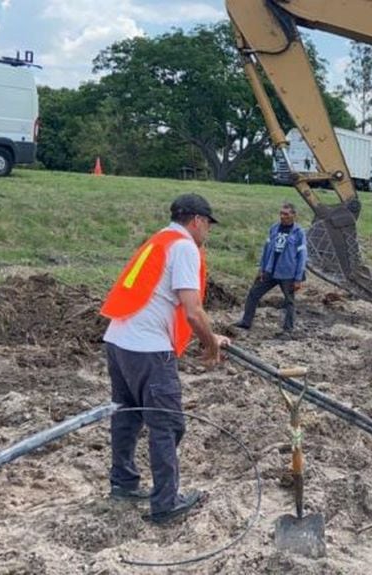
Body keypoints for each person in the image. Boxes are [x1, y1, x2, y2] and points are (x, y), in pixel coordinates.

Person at [99, 193, 230, 525]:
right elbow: (193, 311)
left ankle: (124, 483)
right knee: (167, 424)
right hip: (148, 350)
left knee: (126, 416)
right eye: (208, 226)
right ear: (197, 221)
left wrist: (212, 337)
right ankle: (166, 503)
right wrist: (210, 345)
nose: (207, 234)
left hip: (119, 340)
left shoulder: (159, 239)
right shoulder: (185, 247)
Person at [233, 203, 307, 335]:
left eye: (286, 214)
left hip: (288, 273)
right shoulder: (274, 228)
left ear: (294, 215)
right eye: (281, 213)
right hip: (270, 270)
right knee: (253, 293)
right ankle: (246, 321)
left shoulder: (299, 233)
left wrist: (298, 278)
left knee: (289, 301)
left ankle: (288, 329)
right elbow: (266, 250)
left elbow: (302, 257)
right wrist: (262, 268)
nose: (282, 216)